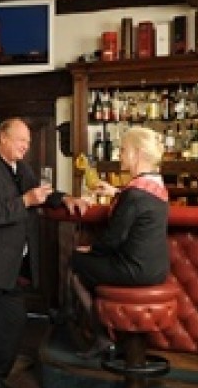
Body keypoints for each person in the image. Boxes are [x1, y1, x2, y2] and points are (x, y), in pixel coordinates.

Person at [0, 117, 87, 388]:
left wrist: (65, 198)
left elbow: (41, 193)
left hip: (8, 268)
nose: (26, 146)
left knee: (12, 325)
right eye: (21, 140)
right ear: (1, 138)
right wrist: (25, 201)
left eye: (28, 141)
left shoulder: (21, 169)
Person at [71, 127, 171, 358]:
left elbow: (113, 240)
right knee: (87, 263)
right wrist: (117, 193)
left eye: (123, 150)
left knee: (75, 262)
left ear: (137, 153)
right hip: (157, 270)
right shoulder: (156, 187)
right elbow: (140, 203)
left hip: (134, 270)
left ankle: (101, 336)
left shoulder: (134, 194)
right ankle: (104, 332)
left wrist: (91, 249)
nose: (119, 155)